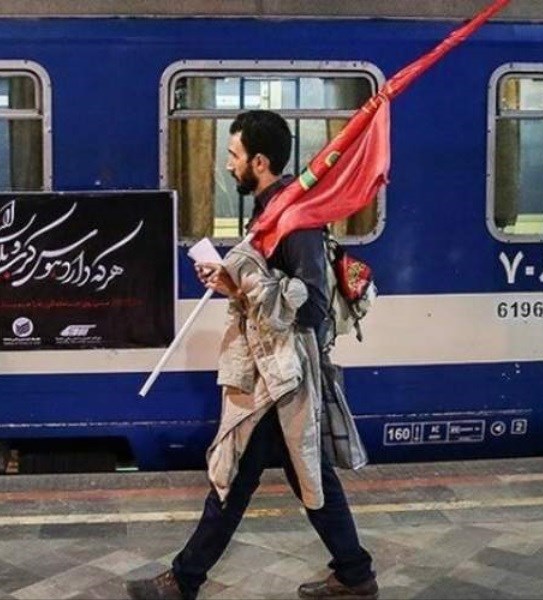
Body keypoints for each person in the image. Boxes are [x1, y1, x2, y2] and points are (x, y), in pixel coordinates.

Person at [126, 110, 377, 600]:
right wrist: (230, 283)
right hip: (269, 370)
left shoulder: (295, 219)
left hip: (281, 377)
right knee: (302, 475)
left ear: (259, 161)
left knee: (239, 476)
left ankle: (184, 580)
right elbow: (265, 292)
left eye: (234, 155)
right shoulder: (268, 212)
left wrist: (241, 285)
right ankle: (354, 574)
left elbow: (311, 305)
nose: (228, 165)